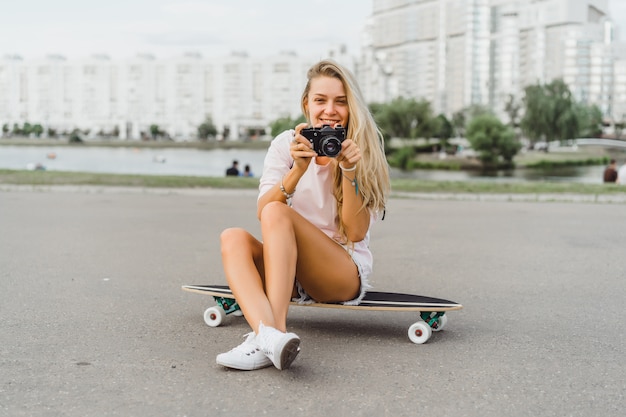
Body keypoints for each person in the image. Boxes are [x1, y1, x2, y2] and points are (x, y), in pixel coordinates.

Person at [216, 59, 390, 371]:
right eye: (320, 100)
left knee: (278, 213)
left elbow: (355, 233)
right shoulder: (286, 145)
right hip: (293, 272)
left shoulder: (360, 150)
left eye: (340, 102)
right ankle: (268, 338)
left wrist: (349, 170)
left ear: (351, 108)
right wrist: (297, 171)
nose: (330, 110)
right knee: (233, 237)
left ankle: (274, 333)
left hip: (341, 274)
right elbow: (262, 211)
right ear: (306, 104)